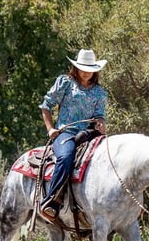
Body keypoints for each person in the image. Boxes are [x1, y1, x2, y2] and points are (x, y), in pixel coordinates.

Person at [38, 48, 108, 220]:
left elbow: (99, 115)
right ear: (76, 68)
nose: (86, 73)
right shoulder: (65, 83)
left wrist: (100, 123)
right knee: (66, 156)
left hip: (87, 133)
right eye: (83, 68)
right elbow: (46, 106)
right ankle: (52, 201)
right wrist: (50, 129)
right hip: (65, 132)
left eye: (90, 70)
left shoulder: (99, 92)